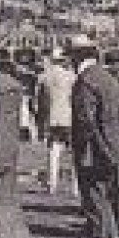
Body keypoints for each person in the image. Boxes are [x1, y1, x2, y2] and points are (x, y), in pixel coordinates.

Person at [65, 36, 119, 238]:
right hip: (113, 150)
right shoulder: (109, 80)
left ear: (78, 57)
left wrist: (95, 150)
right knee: (107, 204)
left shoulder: (84, 82)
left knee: (94, 206)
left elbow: (86, 122)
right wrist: (116, 152)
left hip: (92, 153)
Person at [34, 49, 76, 196]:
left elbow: (38, 103)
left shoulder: (44, 78)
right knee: (74, 154)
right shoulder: (72, 77)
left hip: (52, 118)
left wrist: (40, 121)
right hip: (69, 118)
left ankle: (52, 184)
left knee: (53, 152)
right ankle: (76, 187)